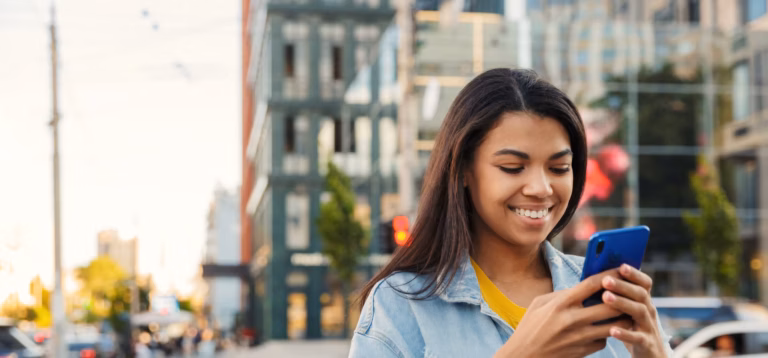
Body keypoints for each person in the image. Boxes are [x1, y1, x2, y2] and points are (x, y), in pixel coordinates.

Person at [349, 69, 672, 358]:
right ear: (462, 169)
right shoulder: (401, 304)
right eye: (513, 168)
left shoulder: (604, 296)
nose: (541, 188)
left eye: (559, 168)